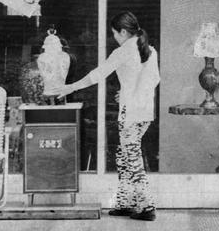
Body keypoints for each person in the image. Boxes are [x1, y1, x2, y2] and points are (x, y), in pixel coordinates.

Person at [57, 12, 160, 221]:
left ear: (123, 31)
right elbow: (153, 80)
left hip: (130, 112)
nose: (114, 37)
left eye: (114, 33)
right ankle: (126, 202)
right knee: (124, 156)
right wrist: (129, 91)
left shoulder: (123, 51)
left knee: (131, 158)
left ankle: (146, 206)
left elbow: (97, 75)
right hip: (144, 112)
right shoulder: (150, 50)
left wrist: (70, 88)